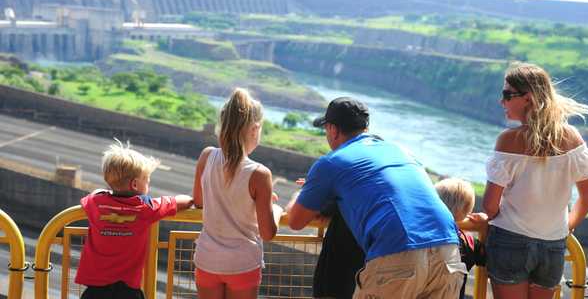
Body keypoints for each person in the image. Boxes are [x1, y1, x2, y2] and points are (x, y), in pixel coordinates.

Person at [287, 97, 466, 299]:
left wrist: (302, 192)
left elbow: (295, 220)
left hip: (398, 254)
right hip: (448, 250)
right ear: (365, 127)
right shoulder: (402, 151)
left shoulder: (331, 162)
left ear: (333, 129)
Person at [483, 62, 588, 299]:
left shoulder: (508, 140)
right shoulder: (572, 138)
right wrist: (566, 226)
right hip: (553, 245)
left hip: (510, 241)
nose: (501, 101)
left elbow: (489, 206)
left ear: (527, 98)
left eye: (507, 94)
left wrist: (486, 220)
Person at [192, 88, 283, 299]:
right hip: (242, 264)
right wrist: (274, 207)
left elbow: (198, 201)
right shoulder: (260, 173)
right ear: (255, 129)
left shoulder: (207, 157)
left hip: (207, 259)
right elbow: (268, 233)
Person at [75, 141, 194, 299]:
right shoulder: (146, 208)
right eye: (147, 179)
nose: (148, 183)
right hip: (127, 289)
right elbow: (181, 201)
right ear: (135, 184)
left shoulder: (96, 202)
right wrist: (193, 201)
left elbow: (92, 195)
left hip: (95, 289)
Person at [435, 178, 487, 299]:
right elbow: (487, 257)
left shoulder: (427, 236)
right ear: (468, 211)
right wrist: (484, 221)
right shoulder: (469, 242)